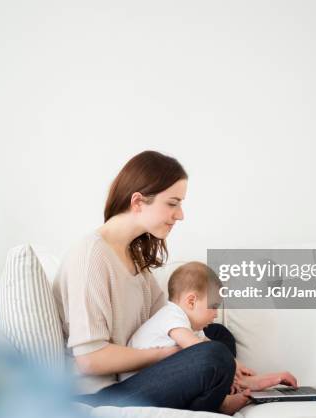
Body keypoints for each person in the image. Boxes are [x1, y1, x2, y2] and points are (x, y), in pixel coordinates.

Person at [52, 150, 296, 415]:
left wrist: (200, 350)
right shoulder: (91, 256)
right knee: (212, 355)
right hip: (99, 394)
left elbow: (172, 321)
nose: (180, 215)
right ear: (138, 202)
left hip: (133, 375)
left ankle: (234, 387)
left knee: (217, 335)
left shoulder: (134, 259)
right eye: (172, 203)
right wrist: (165, 355)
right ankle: (218, 402)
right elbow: (90, 360)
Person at [120, 261, 297, 414]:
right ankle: (222, 402)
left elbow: (206, 345)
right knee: (215, 352)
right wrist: (227, 363)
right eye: (213, 306)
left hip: (165, 381)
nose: (215, 313)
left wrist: (237, 366)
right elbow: (197, 349)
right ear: (191, 301)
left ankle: (240, 387)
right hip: (143, 386)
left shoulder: (192, 327)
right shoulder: (171, 315)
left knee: (219, 341)